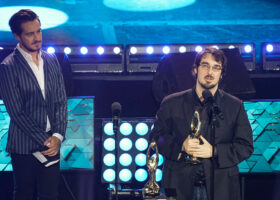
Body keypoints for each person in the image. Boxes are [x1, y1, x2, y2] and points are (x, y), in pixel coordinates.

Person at [150, 47, 253, 200]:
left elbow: (245, 146)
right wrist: (181, 146)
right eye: (205, 65)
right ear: (195, 69)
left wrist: (214, 151)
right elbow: (156, 137)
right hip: (179, 186)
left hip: (220, 188)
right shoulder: (172, 102)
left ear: (221, 73)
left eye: (216, 67)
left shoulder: (234, 106)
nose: (210, 72)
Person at [0, 9, 67, 200]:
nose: (37, 38)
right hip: (24, 146)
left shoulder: (52, 60)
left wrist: (58, 136)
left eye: (39, 31)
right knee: (24, 194)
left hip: (51, 143)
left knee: (50, 195)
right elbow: (16, 112)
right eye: (30, 34)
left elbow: (61, 101)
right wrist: (47, 140)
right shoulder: (8, 66)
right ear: (17, 35)